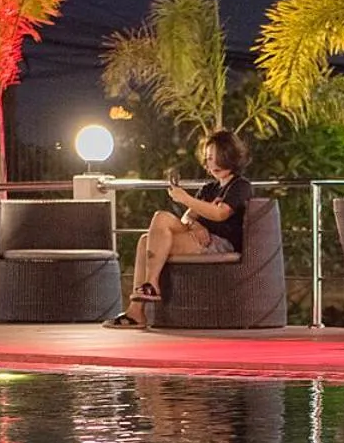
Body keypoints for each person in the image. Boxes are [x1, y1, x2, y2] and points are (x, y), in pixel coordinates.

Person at [105, 129, 252, 329]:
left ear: (230, 156)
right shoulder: (209, 189)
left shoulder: (240, 186)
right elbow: (188, 216)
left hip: (219, 242)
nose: (213, 163)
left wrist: (185, 198)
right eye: (208, 158)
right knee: (158, 220)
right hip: (198, 236)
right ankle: (143, 298)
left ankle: (143, 301)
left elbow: (220, 214)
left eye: (217, 157)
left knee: (147, 242)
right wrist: (196, 224)